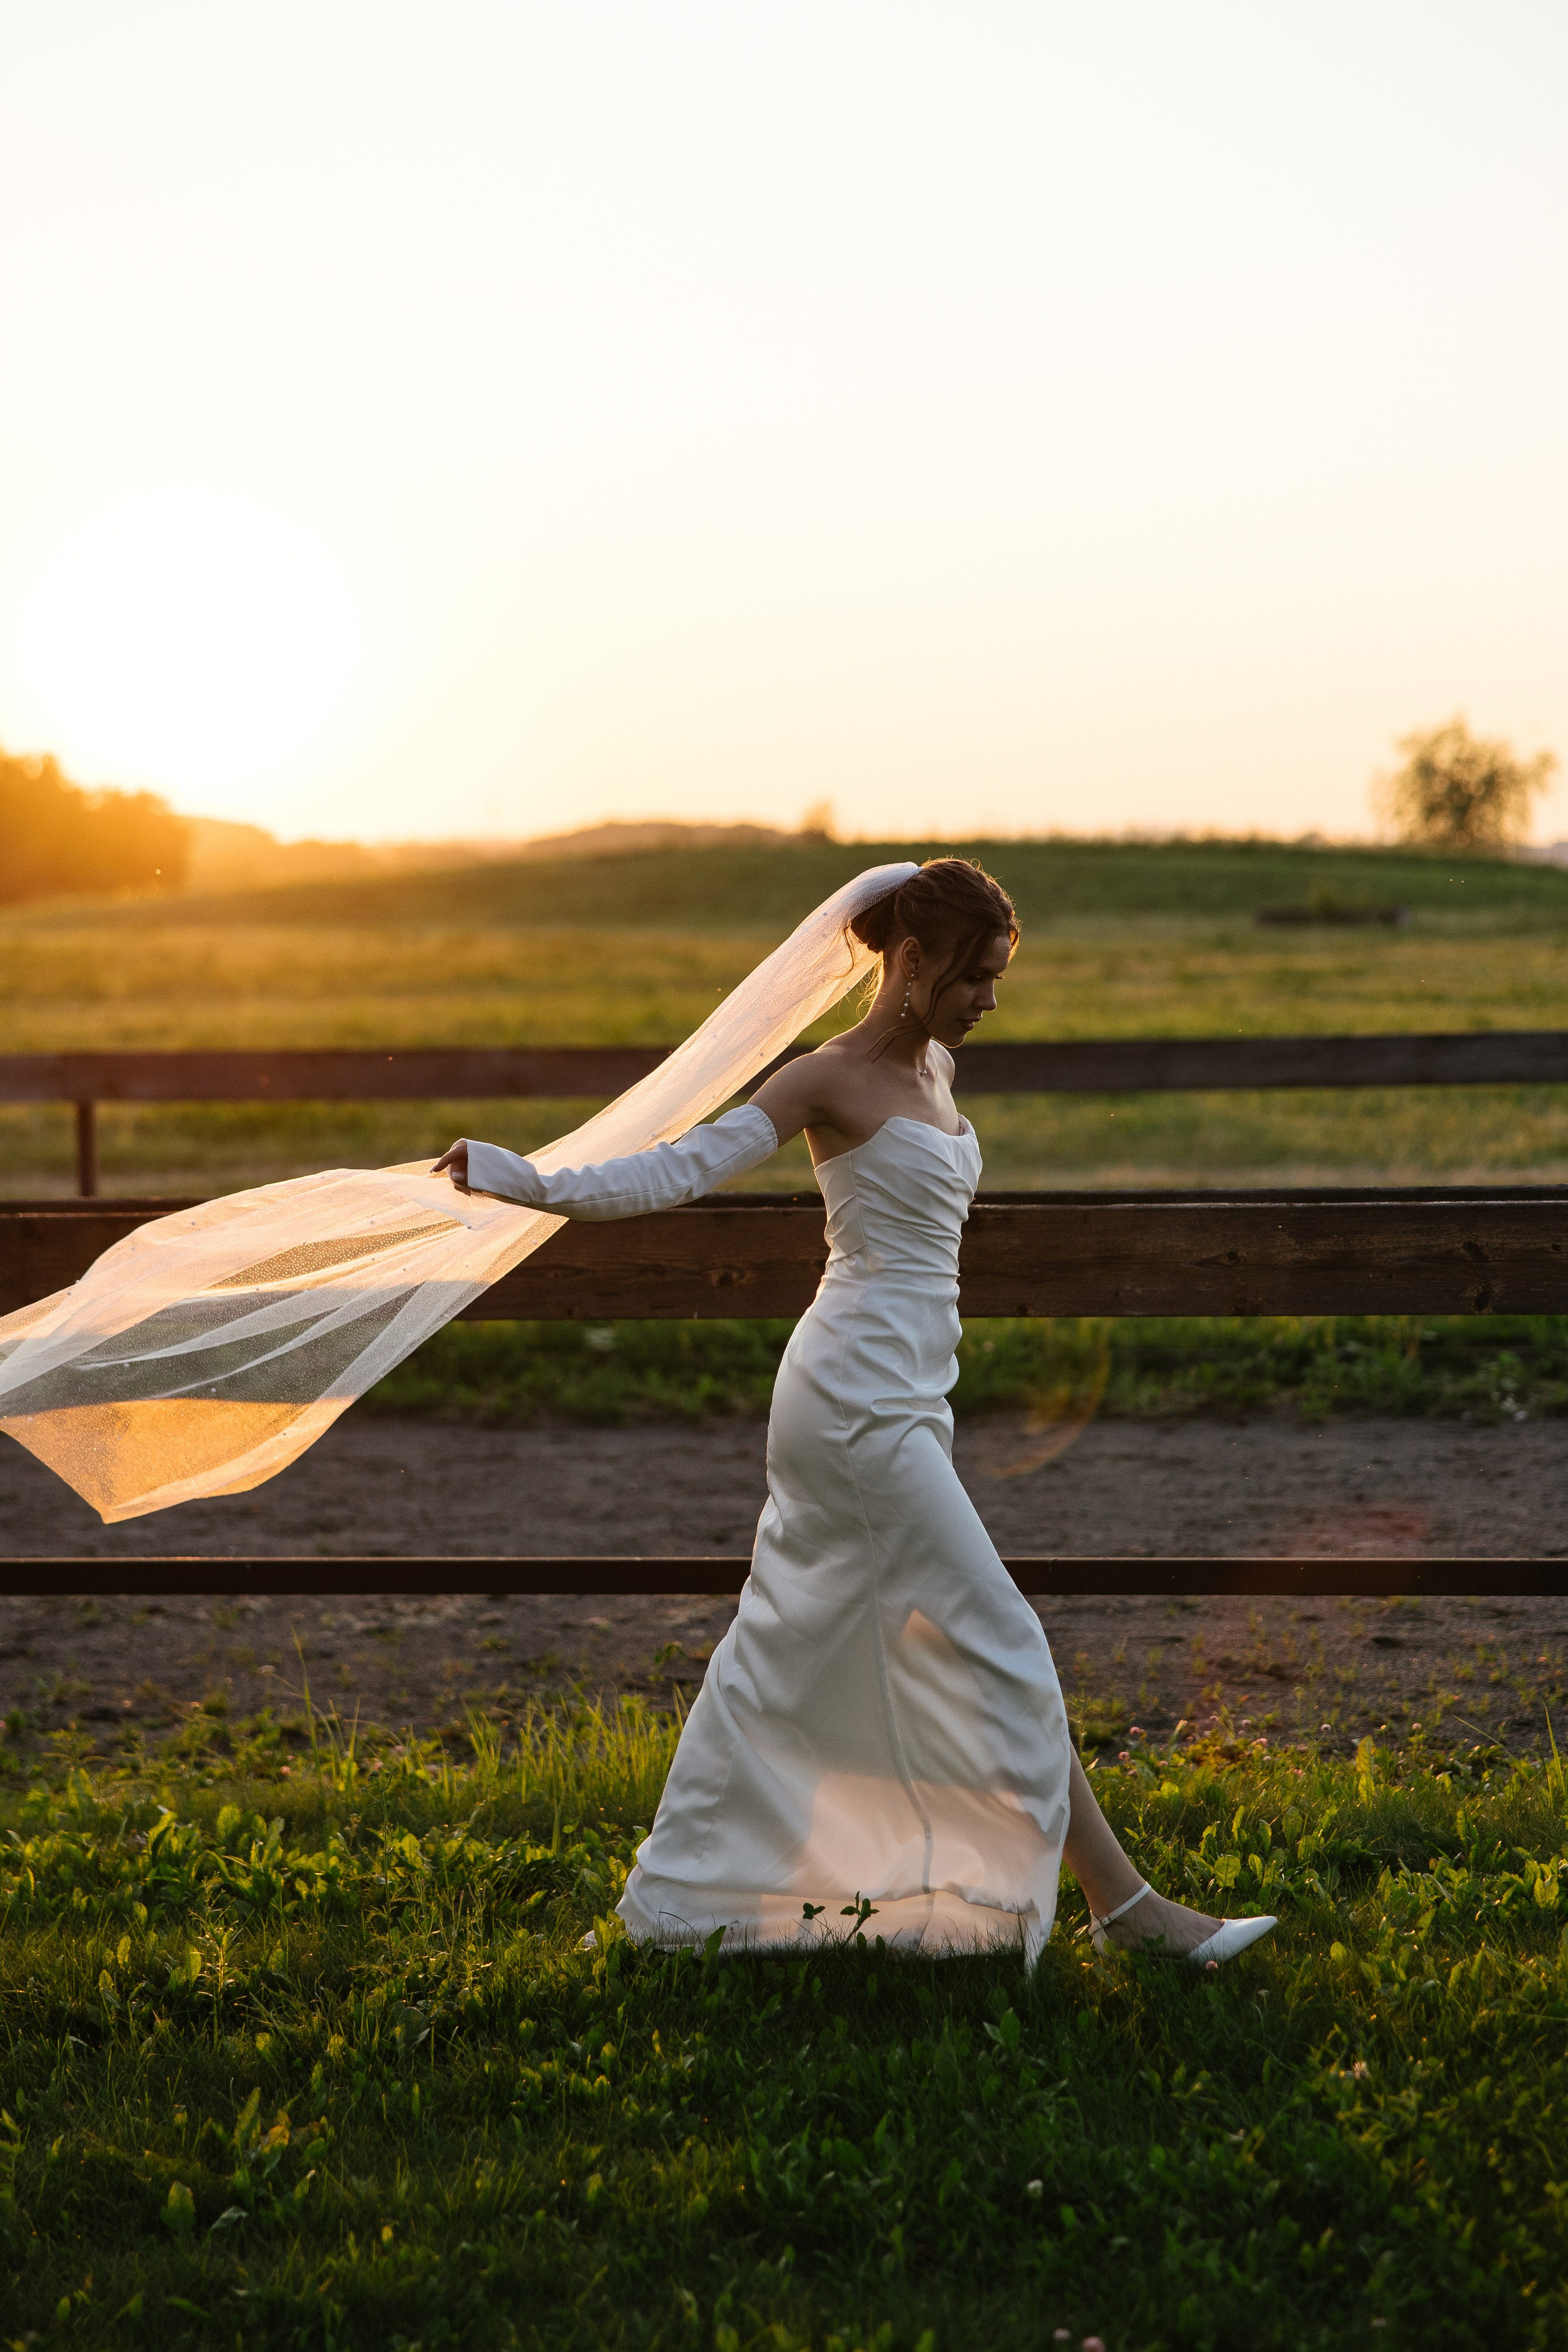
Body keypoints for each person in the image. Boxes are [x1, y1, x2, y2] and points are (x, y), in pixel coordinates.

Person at [435, 859, 1274, 1970]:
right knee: (1005, 1640)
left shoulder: (934, 1068)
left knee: (797, 1650)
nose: (988, 1001)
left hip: (911, 1396)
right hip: (850, 1404)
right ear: (912, 962)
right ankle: (1131, 1916)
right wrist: (531, 1182)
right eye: (975, 977)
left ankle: (683, 1907)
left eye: (999, 979)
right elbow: (675, 1171)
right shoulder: (824, 1080)